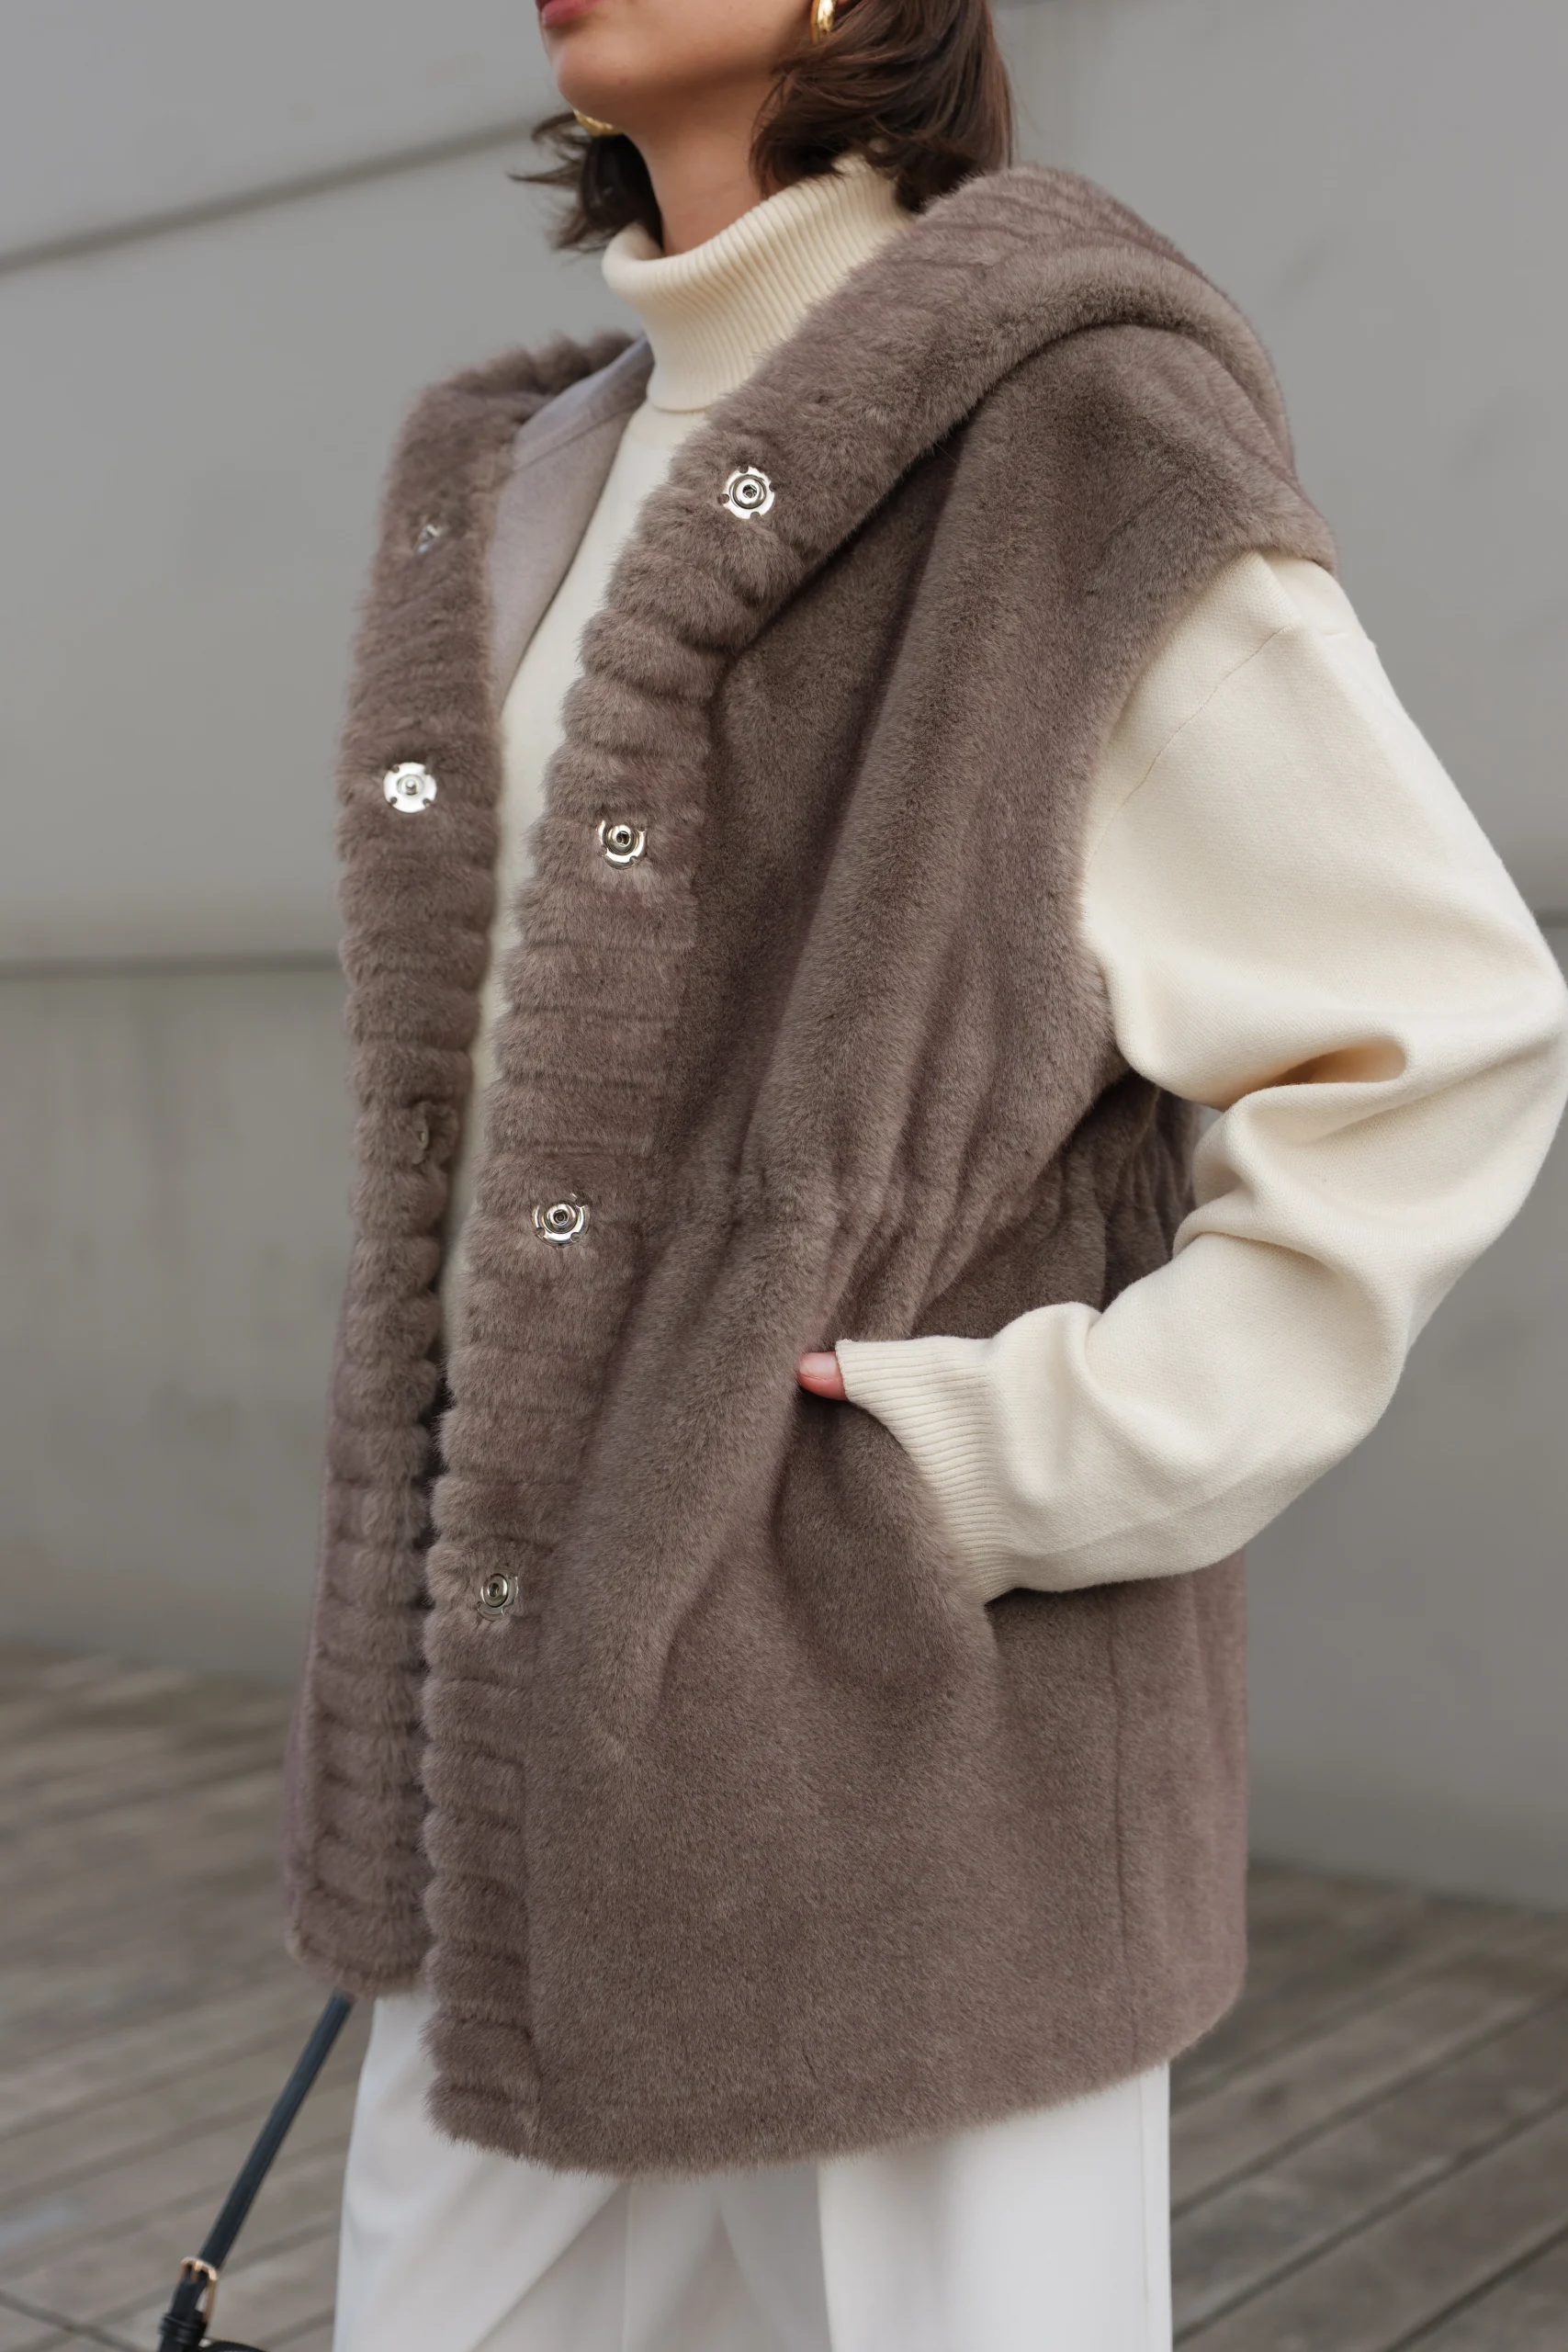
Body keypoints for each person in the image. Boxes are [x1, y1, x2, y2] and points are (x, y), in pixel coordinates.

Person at [282, 0, 1568, 2341]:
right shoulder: (528, 479)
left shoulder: (1067, 435)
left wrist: (985, 1469)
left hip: (910, 1802)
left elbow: (1438, 1035)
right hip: (524, 1813)